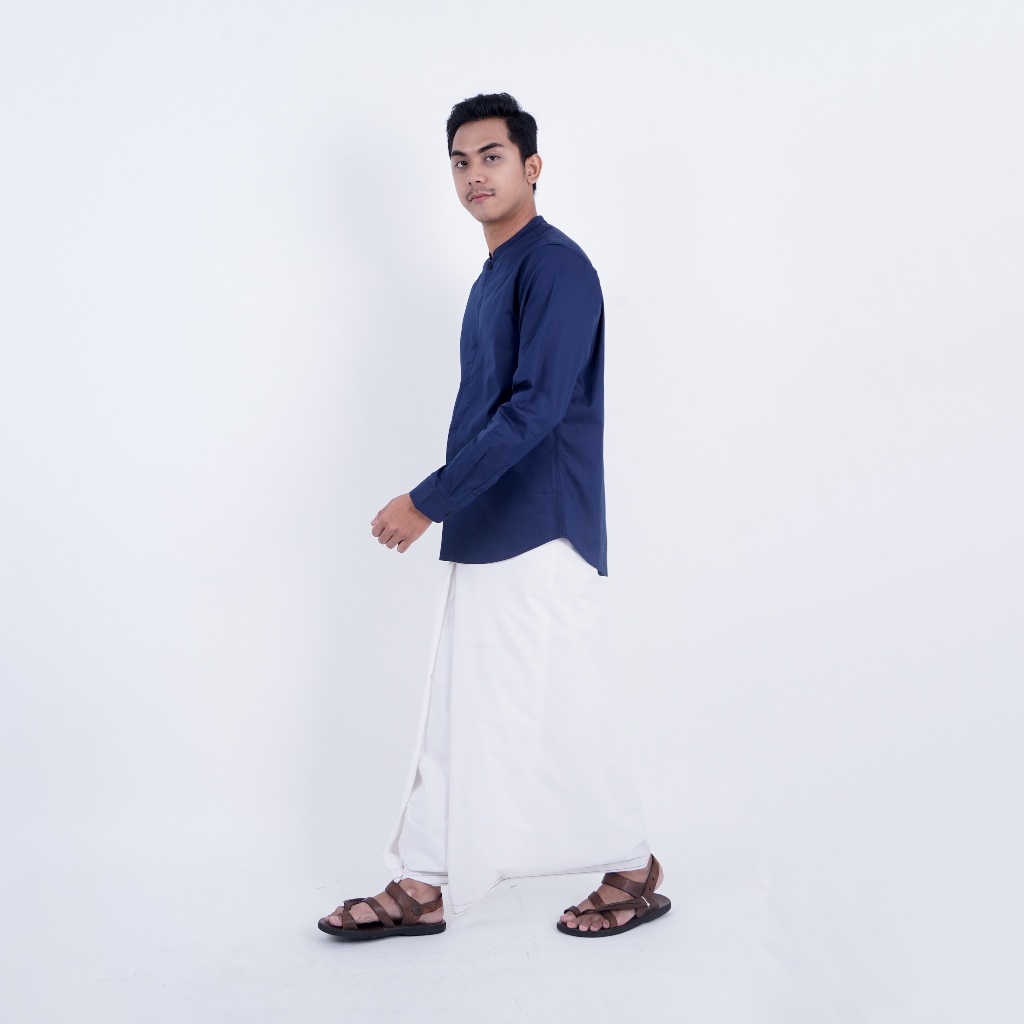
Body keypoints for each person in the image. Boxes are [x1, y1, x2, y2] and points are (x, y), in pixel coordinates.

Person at [318, 92, 670, 941]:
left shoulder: (555, 267)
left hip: (541, 528)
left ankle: (633, 867)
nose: (474, 174)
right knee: (462, 714)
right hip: (493, 528)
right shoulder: (497, 273)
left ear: (532, 166)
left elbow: (536, 409)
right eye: (460, 162)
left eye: (492, 156)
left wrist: (426, 501)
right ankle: (424, 882)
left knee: (557, 707)